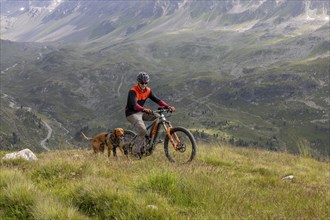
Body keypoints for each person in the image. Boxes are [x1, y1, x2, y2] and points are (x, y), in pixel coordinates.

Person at [125, 72, 175, 157]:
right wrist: (144, 109)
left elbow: (158, 100)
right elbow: (134, 105)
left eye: (146, 83)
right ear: (138, 82)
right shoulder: (132, 91)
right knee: (142, 131)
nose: (144, 85)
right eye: (142, 83)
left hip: (141, 112)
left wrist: (168, 106)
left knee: (158, 117)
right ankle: (135, 152)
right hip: (132, 113)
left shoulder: (148, 90)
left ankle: (151, 139)